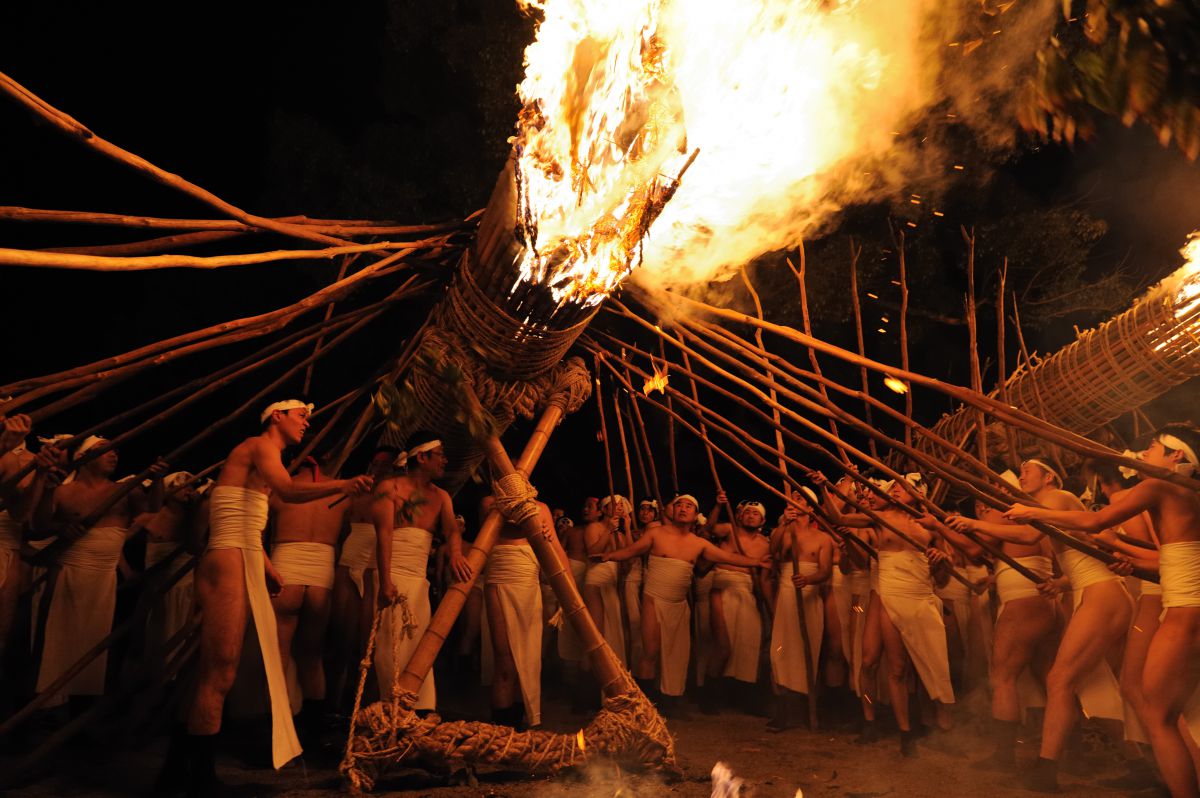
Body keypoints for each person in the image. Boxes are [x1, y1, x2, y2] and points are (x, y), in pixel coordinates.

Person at [171, 400, 371, 794]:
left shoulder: (265, 460)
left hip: (243, 555)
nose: (306, 424)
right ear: (276, 417)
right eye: (301, 416)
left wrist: (267, 565)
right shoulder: (260, 445)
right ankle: (196, 778)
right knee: (221, 670)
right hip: (227, 558)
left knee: (211, 670)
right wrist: (343, 484)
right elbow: (288, 491)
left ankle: (182, 771)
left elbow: (245, 517)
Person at [1005, 427, 1200, 798]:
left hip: (1184, 614)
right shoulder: (1190, 495)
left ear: (1177, 456)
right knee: (1180, 713)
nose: (1143, 453)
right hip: (1187, 609)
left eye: (1154, 448)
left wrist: (1031, 513)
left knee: (1160, 715)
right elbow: (1173, 560)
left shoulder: (1159, 485)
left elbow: (1095, 522)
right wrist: (1125, 554)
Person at [823, 473, 955, 757]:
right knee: (891, 666)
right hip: (885, 594)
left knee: (933, 665)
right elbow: (839, 517)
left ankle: (940, 727)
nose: (896, 491)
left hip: (921, 596)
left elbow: (943, 576)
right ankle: (901, 731)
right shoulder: (879, 518)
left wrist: (943, 561)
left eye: (902, 487)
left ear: (919, 493)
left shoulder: (930, 525)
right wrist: (824, 485)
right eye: (893, 487)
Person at [31, 435, 167, 707]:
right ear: (82, 458)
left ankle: (84, 709)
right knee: (57, 645)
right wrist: (56, 519)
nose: (114, 454)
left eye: (115, 450)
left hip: (105, 581)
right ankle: (46, 707)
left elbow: (153, 509)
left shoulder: (125, 490)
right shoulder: (63, 492)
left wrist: (158, 479)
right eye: (104, 450)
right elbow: (39, 525)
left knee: (97, 647)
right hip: (68, 575)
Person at [602, 494, 768, 714]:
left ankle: (670, 702)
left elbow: (726, 557)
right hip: (653, 597)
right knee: (650, 651)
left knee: (677, 653)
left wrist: (756, 561)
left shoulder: (698, 543)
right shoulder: (656, 533)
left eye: (689, 505)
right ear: (672, 510)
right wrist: (609, 556)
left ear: (694, 514)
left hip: (679, 604)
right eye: (679, 504)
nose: (682, 508)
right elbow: (632, 551)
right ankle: (642, 706)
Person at [932, 491, 1057, 770]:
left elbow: (974, 550)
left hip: (1023, 601)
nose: (983, 510)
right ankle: (1064, 752)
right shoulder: (1032, 514)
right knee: (1052, 679)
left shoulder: (1008, 512)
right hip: (1043, 603)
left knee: (1002, 677)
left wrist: (939, 526)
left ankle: (1004, 757)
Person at [373, 432, 469, 711]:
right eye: (440, 455)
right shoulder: (389, 488)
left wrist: (456, 554)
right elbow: (384, 535)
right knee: (388, 649)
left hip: (418, 580)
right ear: (422, 457)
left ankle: (421, 709)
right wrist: (386, 581)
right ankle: (391, 710)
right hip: (391, 574)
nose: (445, 461)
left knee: (418, 646)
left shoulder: (441, 497)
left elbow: (452, 530)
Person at [268, 452, 348, 745]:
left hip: (286, 567)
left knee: (279, 654)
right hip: (320, 574)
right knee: (312, 656)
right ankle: (314, 731)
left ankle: (280, 728)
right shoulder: (340, 491)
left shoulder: (281, 488)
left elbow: (257, 532)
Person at [481, 494, 565, 729]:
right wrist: (535, 527)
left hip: (529, 583)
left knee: (527, 660)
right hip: (500, 579)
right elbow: (511, 522)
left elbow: (557, 551)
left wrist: (567, 595)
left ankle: (519, 725)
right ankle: (501, 726)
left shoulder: (542, 508)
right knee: (505, 660)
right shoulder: (492, 504)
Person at [328, 446, 397, 709]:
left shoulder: (394, 494)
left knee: (367, 640)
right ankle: (334, 702)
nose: (379, 468)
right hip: (350, 559)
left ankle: (364, 704)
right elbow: (341, 528)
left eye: (386, 465)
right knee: (341, 636)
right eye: (375, 463)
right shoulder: (356, 494)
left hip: (372, 563)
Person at [768, 487, 833, 730]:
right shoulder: (784, 532)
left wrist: (809, 580)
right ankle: (782, 709)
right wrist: (785, 524)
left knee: (807, 652)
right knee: (780, 651)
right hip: (787, 592)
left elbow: (825, 570)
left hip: (810, 595)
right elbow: (773, 551)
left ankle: (807, 710)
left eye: (799, 499)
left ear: (811, 508)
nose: (794, 502)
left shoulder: (823, 539)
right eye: (792, 498)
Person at [701, 491, 771, 713]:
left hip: (747, 591)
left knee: (750, 643)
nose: (751, 516)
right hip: (722, 587)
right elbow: (707, 530)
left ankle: (745, 697)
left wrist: (767, 604)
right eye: (747, 512)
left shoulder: (765, 544)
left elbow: (764, 577)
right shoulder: (729, 529)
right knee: (723, 644)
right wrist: (718, 506)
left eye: (755, 513)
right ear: (740, 516)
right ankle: (709, 696)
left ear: (763, 520)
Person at [582, 494, 630, 680]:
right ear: (604, 509)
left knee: (613, 635)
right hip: (595, 582)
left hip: (612, 585)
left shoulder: (619, 533)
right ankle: (585, 690)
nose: (619, 507)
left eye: (621, 505)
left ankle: (610, 683)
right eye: (614, 504)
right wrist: (608, 531)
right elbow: (593, 552)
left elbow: (628, 558)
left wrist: (624, 528)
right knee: (596, 634)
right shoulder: (594, 527)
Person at [557, 500, 591, 712]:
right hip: (573, 578)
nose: (586, 509)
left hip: (596, 582)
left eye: (591, 506)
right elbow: (557, 551)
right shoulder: (573, 532)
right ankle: (569, 687)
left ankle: (588, 687)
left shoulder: (609, 531)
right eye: (584, 506)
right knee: (570, 631)